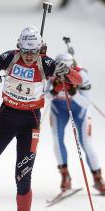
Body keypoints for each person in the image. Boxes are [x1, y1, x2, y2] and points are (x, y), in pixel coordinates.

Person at [0, 26, 82, 211]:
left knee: (23, 178)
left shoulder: (46, 63)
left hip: (30, 123)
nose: (29, 56)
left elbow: (77, 81)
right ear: (18, 47)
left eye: (34, 51)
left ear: (40, 49)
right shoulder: (10, 57)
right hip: (6, 118)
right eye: (25, 51)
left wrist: (67, 71)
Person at [45, 52, 105, 195]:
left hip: (80, 111)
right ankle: (65, 176)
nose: (63, 73)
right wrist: (54, 91)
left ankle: (98, 178)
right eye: (60, 69)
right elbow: (44, 96)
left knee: (86, 142)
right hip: (59, 110)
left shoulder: (81, 74)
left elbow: (86, 102)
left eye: (67, 69)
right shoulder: (50, 73)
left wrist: (73, 92)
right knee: (57, 139)